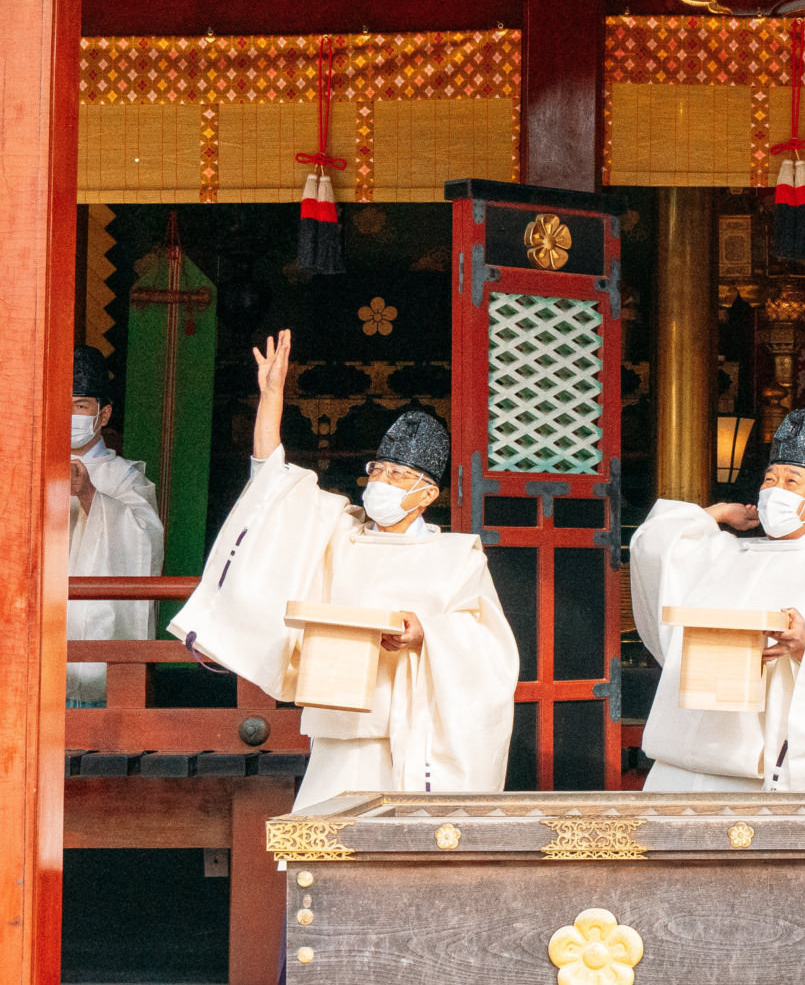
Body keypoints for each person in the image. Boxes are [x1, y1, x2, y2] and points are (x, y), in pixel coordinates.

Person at [169, 330, 518, 806]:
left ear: (427, 494)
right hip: (342, 728)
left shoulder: (457, 557)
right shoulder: (338, 531)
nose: (382, 481)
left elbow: (491, 650)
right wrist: (270, 399)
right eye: (378, 469)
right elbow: (274, 486)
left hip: (416, 734)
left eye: (399, 475)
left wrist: (426, 633)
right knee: (327, 846)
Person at [629, 406, 805, 793]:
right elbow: (654, 544)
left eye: (792, 481)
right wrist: (719, 512)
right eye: (770, 479)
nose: (775, 490)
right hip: (679, 770)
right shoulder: (725, 554)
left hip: (762, 776)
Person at [66, 347, 166, 705]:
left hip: (93, 648)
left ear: (103, 414)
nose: (69, 415)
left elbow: (147, 542)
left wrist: (90, 494)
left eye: (80, 406)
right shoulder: (27, 468)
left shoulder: (123, 477)